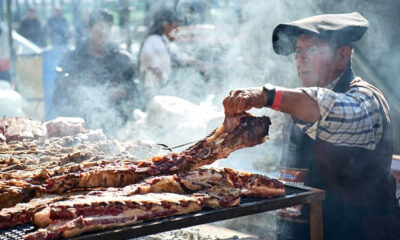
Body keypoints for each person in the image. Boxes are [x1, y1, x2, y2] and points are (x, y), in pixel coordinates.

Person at [222, 12, 399, 240]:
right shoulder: (299, 104)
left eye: (312, 50)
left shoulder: (365, 100)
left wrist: (266, 95)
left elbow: (327, 108)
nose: (301, 59)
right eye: (298, 51)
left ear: (342, 56)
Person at [52, 9, 136, 137]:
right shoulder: (73, 57)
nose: (104, 31)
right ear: (89, 28)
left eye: (108, 27)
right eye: (100, 26)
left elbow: (135, 88)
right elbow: (58, 92)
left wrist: (125, 91)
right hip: (78, 127)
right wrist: (71, 86)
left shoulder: (123, 59)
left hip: (114, 125)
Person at [138, 9, 208, 103]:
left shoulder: (163, 42)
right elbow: (149, 63)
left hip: (161, 91)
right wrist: (160, 78)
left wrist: (196, 63)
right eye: (175, 27)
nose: (177, 31)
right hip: (153, 92)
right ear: (166, 26)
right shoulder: (153, 41)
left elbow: (177, 57)